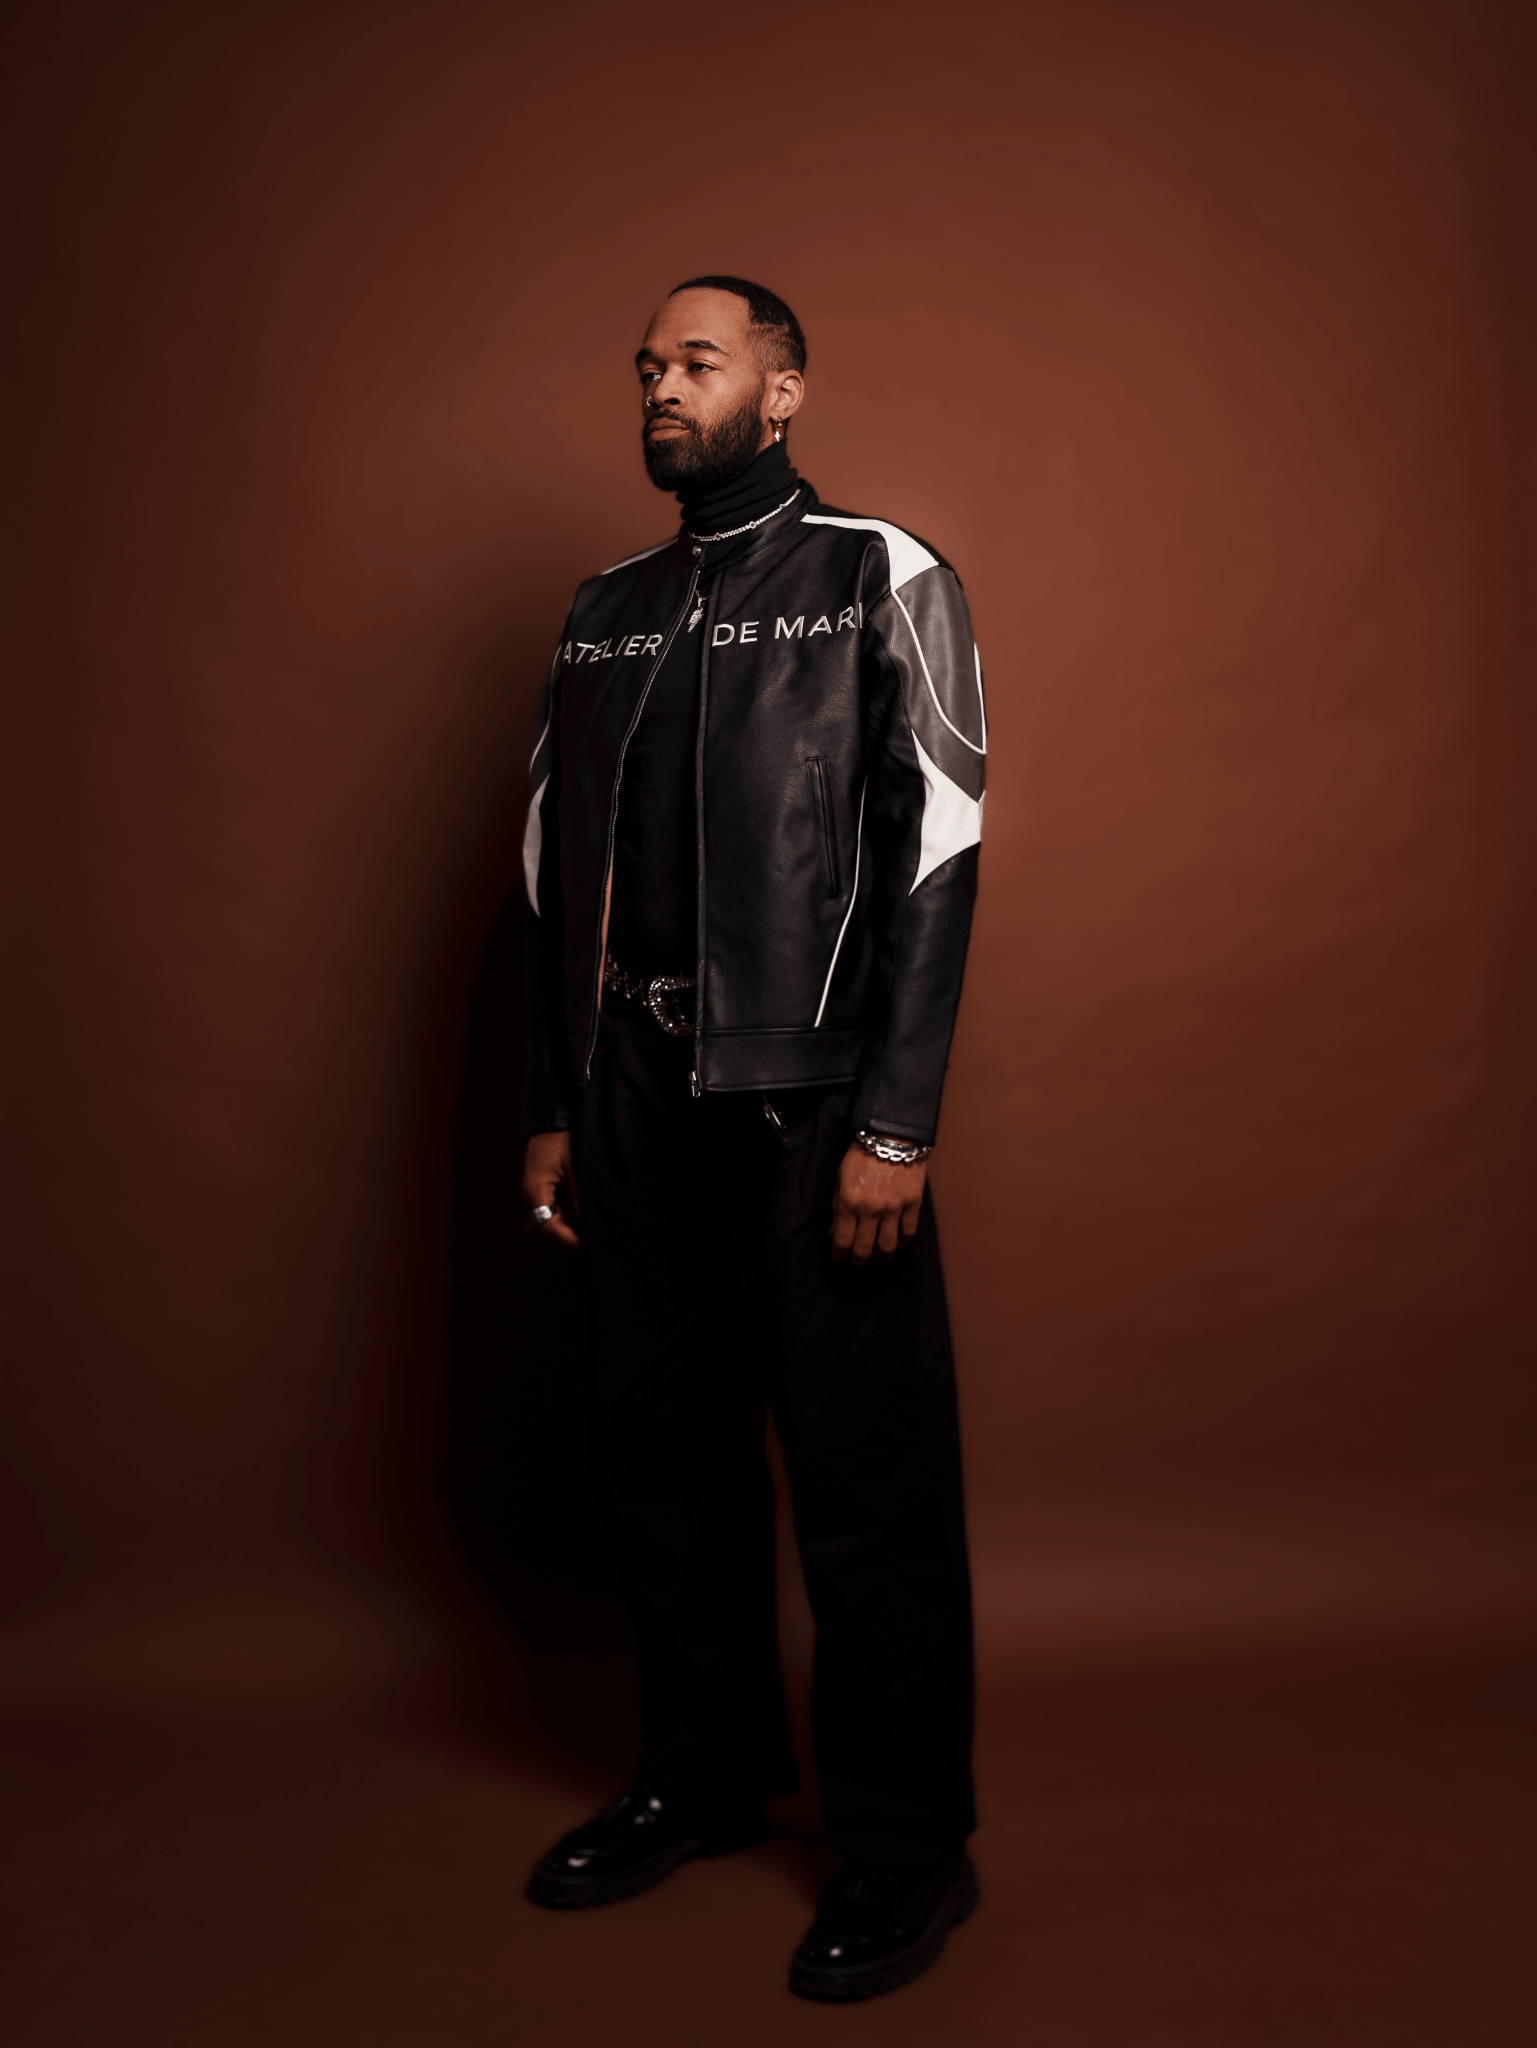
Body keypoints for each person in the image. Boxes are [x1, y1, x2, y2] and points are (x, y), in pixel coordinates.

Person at [518, 275, 986, 2003]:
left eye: (697, 363)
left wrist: (898, 1124)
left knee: (867, 1490)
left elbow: (940, 848)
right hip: (633, 1105)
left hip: (812, 1108)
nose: (660, 386)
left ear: (781, 393)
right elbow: (551, 877)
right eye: (646, 366)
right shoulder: (605, 609)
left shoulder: (880, 572)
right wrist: (558, 1104)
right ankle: (702, 1777)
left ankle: (908, 1847)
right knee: (663, 1465)